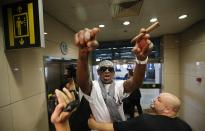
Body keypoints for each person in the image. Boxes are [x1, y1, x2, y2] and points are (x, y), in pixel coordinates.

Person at [74, 27, 153, 123]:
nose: (107, 71)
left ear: (114, 73)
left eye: (110, 69)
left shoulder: (119, 85)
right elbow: (82, 82)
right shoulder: (93, 87)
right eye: (103, 69)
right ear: (98, 72)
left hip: (120, 128)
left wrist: (141, 60)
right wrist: (83, 57)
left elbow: (135, 82)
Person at [88, 92, 192, 131]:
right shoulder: (186, 126)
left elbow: (115, 128)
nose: (155, 100)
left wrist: (94, 125)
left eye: (159, 100)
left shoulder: (146, 121)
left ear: (168, 109)